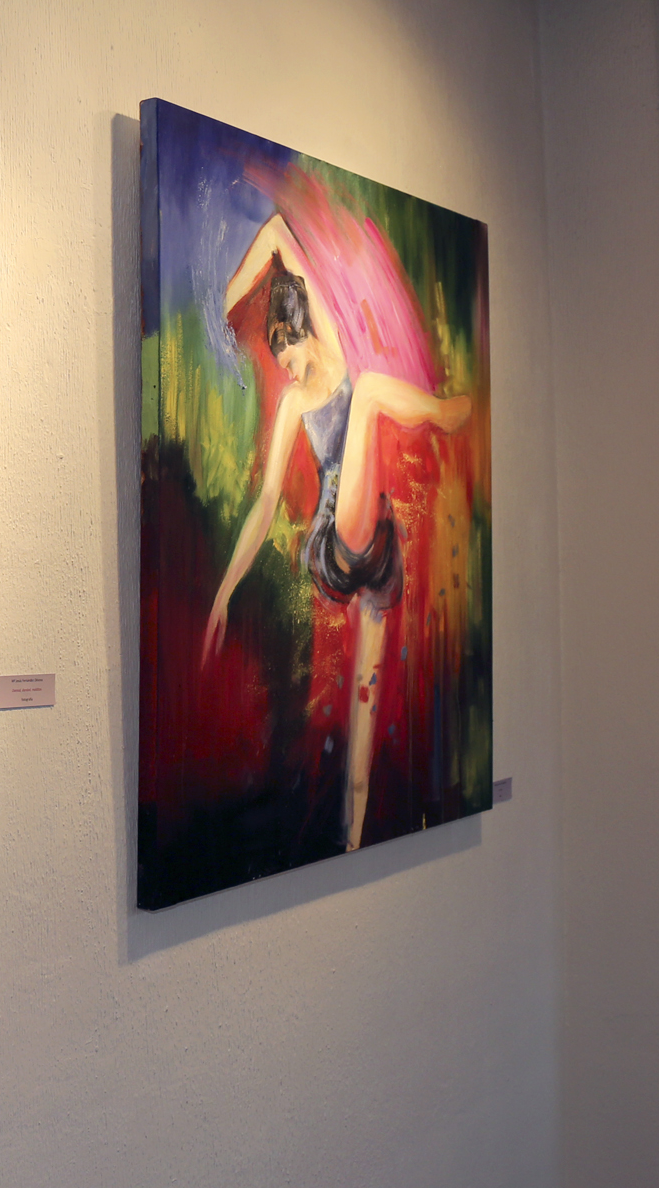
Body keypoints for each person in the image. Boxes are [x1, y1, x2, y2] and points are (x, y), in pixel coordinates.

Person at [201, 211, 470, 851]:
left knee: (365, 707)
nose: (289, 372)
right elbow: (266, 504)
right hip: (335, 544)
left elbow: (278, 232)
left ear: (303, 332)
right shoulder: (296, 403)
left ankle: (353, 841)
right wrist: (224, 592)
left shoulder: (332, 340)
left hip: (378, 549)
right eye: (281, 364)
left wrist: (237, 289)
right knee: (371, 392)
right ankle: (442, 414)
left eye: (289, 356)